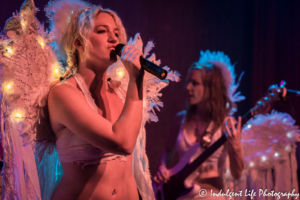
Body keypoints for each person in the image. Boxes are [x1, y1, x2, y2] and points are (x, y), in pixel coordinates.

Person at [45, 0, 150, 199]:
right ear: (78, 42)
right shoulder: (63, 94)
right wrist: (136, 79)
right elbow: (123, 143)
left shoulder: (121, 92)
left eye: (117, 33)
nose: (113, 38)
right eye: (102, 31)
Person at [154, 50, 245, 200]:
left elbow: (237, 173)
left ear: (211, 89)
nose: (188, 88)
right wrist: (162, 167)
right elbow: (167, 152)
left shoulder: (227, 124)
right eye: (188, 82)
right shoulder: (180, 120)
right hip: (180, 195)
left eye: (195, 83)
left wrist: (235, 148)